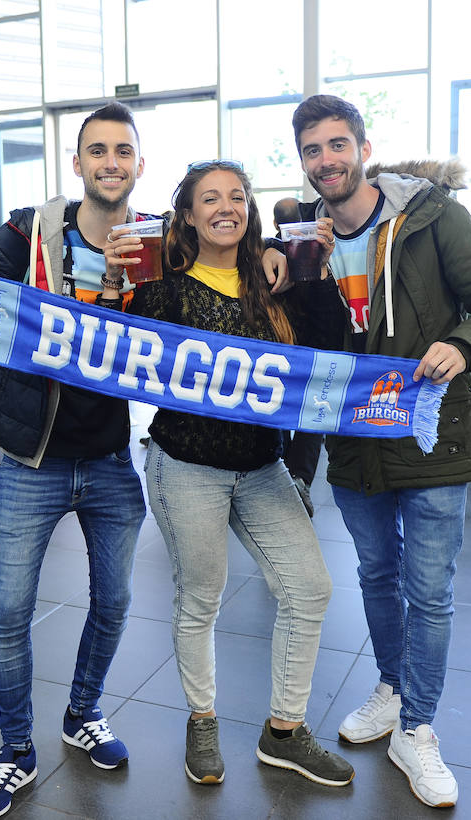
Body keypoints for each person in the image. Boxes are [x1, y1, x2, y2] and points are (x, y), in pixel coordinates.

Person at [266, 95, 471, 808]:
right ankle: (390, 685)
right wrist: (280, 267)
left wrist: (463, 345)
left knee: (429, 591)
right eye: (314, 149)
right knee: (377, 574)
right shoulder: (303, 242)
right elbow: (302, 339)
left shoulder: (431, 216)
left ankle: (418, 728)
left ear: (362, 146)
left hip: (432, 433)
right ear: (305, 161)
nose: (328, 160)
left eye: (338, 144)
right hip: (355, 445)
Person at [0, 102, 149, 819]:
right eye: (97, 150)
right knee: (10, 612)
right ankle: (15, 749)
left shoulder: (153, 243)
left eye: (123, 151)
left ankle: (82, 711)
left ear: (138, 165)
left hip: (112, 459)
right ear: (76, 164)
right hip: (30, 459)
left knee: (113, 603)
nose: (110, 162)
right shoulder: (31, 230)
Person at [113, 160, 353, 788]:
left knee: (310, 588)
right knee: (202, 598)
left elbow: (332, 354)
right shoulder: (163, 289)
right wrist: (113, 283)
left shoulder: (276, 280)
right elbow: (116, 350)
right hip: (185, 464)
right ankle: (202, 719)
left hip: (261, 466)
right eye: (210, 198)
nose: (227, 207)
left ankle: (284, 732)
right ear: (188, 215)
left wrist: (315, 271)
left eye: (238, 197)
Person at [272, 196, 323, 516]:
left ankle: (282, 475)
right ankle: (299, 478)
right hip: (313, 349)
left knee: (278, 412)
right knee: (311, 418)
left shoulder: (268, 254)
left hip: (280, 348)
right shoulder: (315, 252)